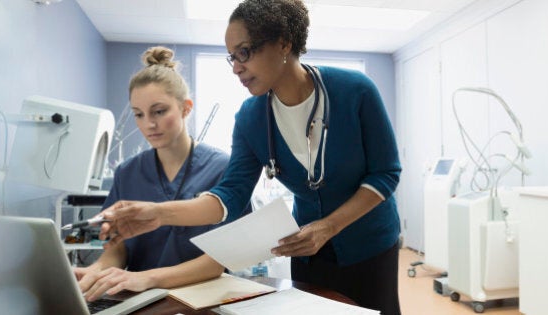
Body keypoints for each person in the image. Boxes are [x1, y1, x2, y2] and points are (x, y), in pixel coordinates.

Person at [99, 1, 402, 313]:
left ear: (283, 43)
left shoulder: (354, 91)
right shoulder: (251, 117)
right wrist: (159, 213)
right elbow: (230, 195)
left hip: (370, 242)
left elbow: (386, 173)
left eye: (244, 52)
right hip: (308, 249)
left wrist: (329, 226)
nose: (236, 67)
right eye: (232, 57)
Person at [74, 46, 246, 302]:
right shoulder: (127, 173)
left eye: (159, 111)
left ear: (186, 108)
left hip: (202, 299)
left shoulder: (222, 168)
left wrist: (148, 278)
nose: (148, 124)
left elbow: (217, 261)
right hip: (138, 299)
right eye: (139, 115)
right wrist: (96, 271)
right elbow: (118, 246)